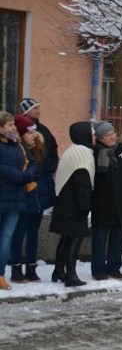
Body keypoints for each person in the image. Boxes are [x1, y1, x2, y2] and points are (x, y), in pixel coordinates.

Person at [49, 122, 96, 287]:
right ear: (85, 135)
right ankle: (71, 274)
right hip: (74, 204)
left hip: (65, 201)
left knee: (66, 237)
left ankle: (59, 271)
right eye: (92, 133)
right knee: (75, 238)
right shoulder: (83, 153)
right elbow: (81, 182)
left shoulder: (73, 149)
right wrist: (85, 206)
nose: (95, 137)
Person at [0, 111, 39, 290]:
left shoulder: (18, 145)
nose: (14, 129)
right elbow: (4, 170)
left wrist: (26, 175)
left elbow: (32, 163)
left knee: (6, 239)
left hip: (16, 199)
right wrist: (21, 177)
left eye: (14, 125)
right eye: (9, 126)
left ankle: (0, 275)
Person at [9, 115, 50, 282]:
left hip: (38, 197)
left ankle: (31, 268)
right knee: (18, 234)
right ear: (20, 134)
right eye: (29, 133)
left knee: (33, 233)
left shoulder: (40, 148)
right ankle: (16, 269)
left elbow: (46, 172)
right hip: (23, 198)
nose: (33, 135)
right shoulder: (16, 151)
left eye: (34, 132)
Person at [90, 121, 122, 280]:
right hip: (101, 203)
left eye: (113, 133)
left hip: (121, 201)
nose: (112, 137)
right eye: (108, 135)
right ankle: (98, 269)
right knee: (99, 239)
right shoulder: (94, 153)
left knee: (118, 238)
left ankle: (114, 267)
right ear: (100, 138)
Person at [19, 98, 57, 200]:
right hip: (28, 183)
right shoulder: (18, 129)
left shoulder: (43, 129)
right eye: (34, 108)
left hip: (44, 178)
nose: (38, 111)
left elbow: (53, 148)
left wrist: (52, 166)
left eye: (38, 108)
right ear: (26, 111)